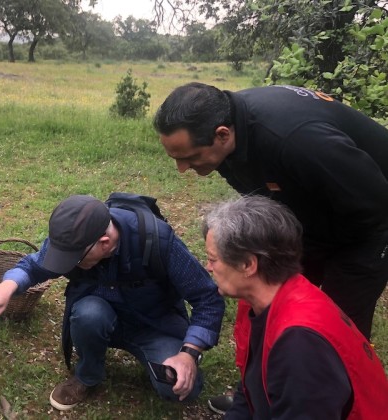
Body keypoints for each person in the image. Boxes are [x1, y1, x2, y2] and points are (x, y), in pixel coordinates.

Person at [154, 83, 388, 414]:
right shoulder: (227, 134)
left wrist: (334, 262)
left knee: (329, 331)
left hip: (368, 226)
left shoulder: (296, 139)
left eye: (189, 157)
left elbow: (377, 203)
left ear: (222, 135)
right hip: (313, 218)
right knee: (268, 300)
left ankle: (331, 401)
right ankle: (259, 395)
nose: (182, 168)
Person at [0, 194, 225, 411]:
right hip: (102, 317)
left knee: (180, 389)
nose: (69, 264)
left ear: (105, 242)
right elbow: (35, 265)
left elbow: (207, 298)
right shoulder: (74, 239)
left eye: (75, 259)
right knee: (88, 313)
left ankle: (164, 358)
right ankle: (88, 375)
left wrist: (189, 353)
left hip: (155, 325)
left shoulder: (158, 241)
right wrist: (8, 286)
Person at [202, 195, 388, 418]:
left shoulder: (299, 345)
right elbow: (250, 387)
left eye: (213, 259)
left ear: (247, 265)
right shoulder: (266, 300)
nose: (208, 267)